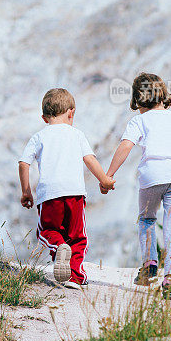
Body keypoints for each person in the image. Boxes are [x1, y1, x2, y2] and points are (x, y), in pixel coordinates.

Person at [102, 73, 171, 298]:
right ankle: (170, 279)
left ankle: (149, 263)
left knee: (147, 219)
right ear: (163, 95)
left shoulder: (139, 120)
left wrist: (108, 175)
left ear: (137, 99)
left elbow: (126, 146)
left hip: (151, 178)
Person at [19, 88, 115, 288]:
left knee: (48, 230)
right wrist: (104, 180)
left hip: (49, 195)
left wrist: (26, 191)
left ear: (44, 118)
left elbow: (23, 163)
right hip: (75, 194)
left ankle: (58, 246)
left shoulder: (39, 137)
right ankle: (75, 277)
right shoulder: (77, 135)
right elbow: (89, 159)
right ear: (71, 113)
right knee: (77, 236)